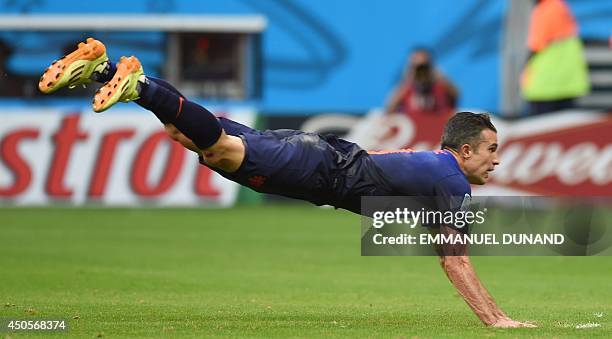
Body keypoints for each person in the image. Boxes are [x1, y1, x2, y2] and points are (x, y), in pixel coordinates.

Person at [39, 38, 535, 328]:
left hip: (317, 154)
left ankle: (107, 69)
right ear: (465, 150)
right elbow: (455, 260)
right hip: (319, 170)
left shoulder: (436, 172)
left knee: (189, 135)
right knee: (217, 148)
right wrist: (496, 319)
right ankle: (139, 85)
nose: (497, 159)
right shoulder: (453, 180)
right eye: (492, 149)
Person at [521, 0, 590, 115]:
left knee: (543, 126)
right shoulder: (560, 5)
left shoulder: (545, 9)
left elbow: (536, 43)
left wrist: (524, 67)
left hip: (546, 84)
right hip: (567, 80)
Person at [385, 48, 458, 117]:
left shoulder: (440, 86)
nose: (421, 71)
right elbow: (389, 108)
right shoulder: (405, 88)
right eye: (417, 66)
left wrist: (438, 75)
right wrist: (407, 80)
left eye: (424, 67)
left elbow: (455, 95)